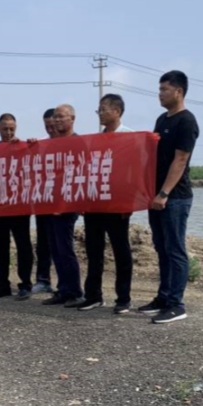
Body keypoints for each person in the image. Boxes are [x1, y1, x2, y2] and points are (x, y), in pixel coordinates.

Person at [140, 71, 199, 324]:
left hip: (175, 197)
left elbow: (180, 160)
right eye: (159, 89)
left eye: (164, 89)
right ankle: (163, 298)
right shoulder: (162, 119)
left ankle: (176, 304)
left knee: (175, 250)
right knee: (161, 247)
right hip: (156, 196)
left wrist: (164, 193)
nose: (160, 94)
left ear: (178, 91)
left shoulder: (186, 121)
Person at [79, 95, 135, 313]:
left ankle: (123, 298)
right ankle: (93, 295)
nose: (100, 114)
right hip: (96, 201)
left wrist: (129, 202)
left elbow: (134, 173)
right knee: (94, 250)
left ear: (117, 111)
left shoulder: (129, 137)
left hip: (117, 204)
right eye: (99, 110)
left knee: (121, 250)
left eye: (104, 109)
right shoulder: (96, 140)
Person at [41, 104, 85, 308]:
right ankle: (63, 289)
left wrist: (73, 203)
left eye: (61, 116)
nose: (57, 120)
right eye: (55, 117)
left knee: (65, 249)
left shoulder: (78, 142)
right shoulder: (51, 143)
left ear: (72, 119)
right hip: (50, 203)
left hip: (67, 205)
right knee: (55, 249)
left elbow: (82, 173)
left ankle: (75, 291)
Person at [0, 114, 34, 301]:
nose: (8, 132)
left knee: (24, 246)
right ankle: (3, 285)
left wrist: (31, 145)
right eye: (5, 128)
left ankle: (25, 284)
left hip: (19, 206)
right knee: (0, 247)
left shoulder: (23, 147)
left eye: (12, 129)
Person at [33, 108, 57, 294]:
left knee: (62, 245)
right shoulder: (41, 144)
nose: (50, 129)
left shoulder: (73, 143)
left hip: (64, 204)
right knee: (43, 243)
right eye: (46, 126)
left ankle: (66, 284)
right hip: (43, 201)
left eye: (52, 125)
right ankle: (42, 279)